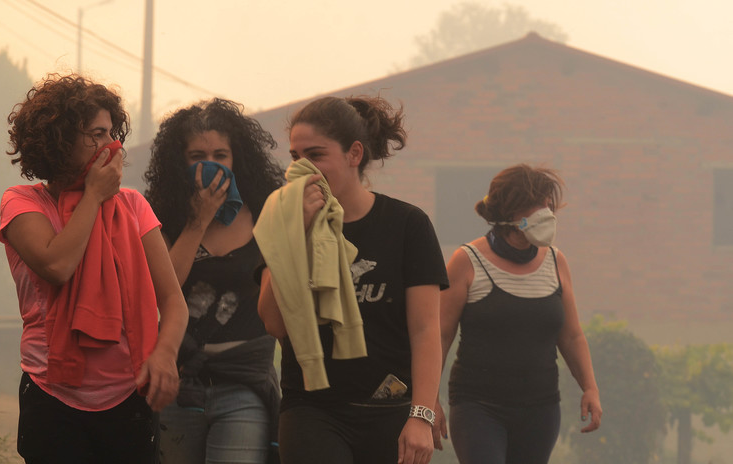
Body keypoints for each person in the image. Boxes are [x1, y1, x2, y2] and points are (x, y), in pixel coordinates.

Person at [0, 73, 188, 464]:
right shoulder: (22, 203)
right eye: (96, 134)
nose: (111, 145)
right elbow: (57, 264)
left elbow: (172, 300)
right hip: (52, 398)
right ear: (60, 140)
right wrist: (94, 196)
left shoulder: (133, 206)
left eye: (111, 133)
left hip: (128, 397)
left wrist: (165, 353)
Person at [255, 95, 449, 464]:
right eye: (295, 157)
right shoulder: (282, 219)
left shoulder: (407, 225)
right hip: (312, 409)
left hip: (389, 408)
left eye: (316, 155)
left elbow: (426, 331)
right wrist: (296, 236)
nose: (302, 169)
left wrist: (421, 415)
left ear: (354, 153)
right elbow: (274, 323)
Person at [143, 98, 285, 464]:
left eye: (221, 155)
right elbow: (164, 288)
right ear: (181, 161)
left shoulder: (266, 212)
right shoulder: (162, 218)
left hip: (244, 384)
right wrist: (197, 222)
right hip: (178, 380)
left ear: (237, 158)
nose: (211, 164)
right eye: (198, 155)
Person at [433, 164, 602, 464]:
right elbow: (439, 335)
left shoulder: (556, 261)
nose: (546, 212)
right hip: (478, 406)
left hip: (540, 408)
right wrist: (428, 398)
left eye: (548, 204)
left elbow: (572, 335)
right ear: (510, 211)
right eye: (536, 204)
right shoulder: (467, 261)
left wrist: (589, 387)